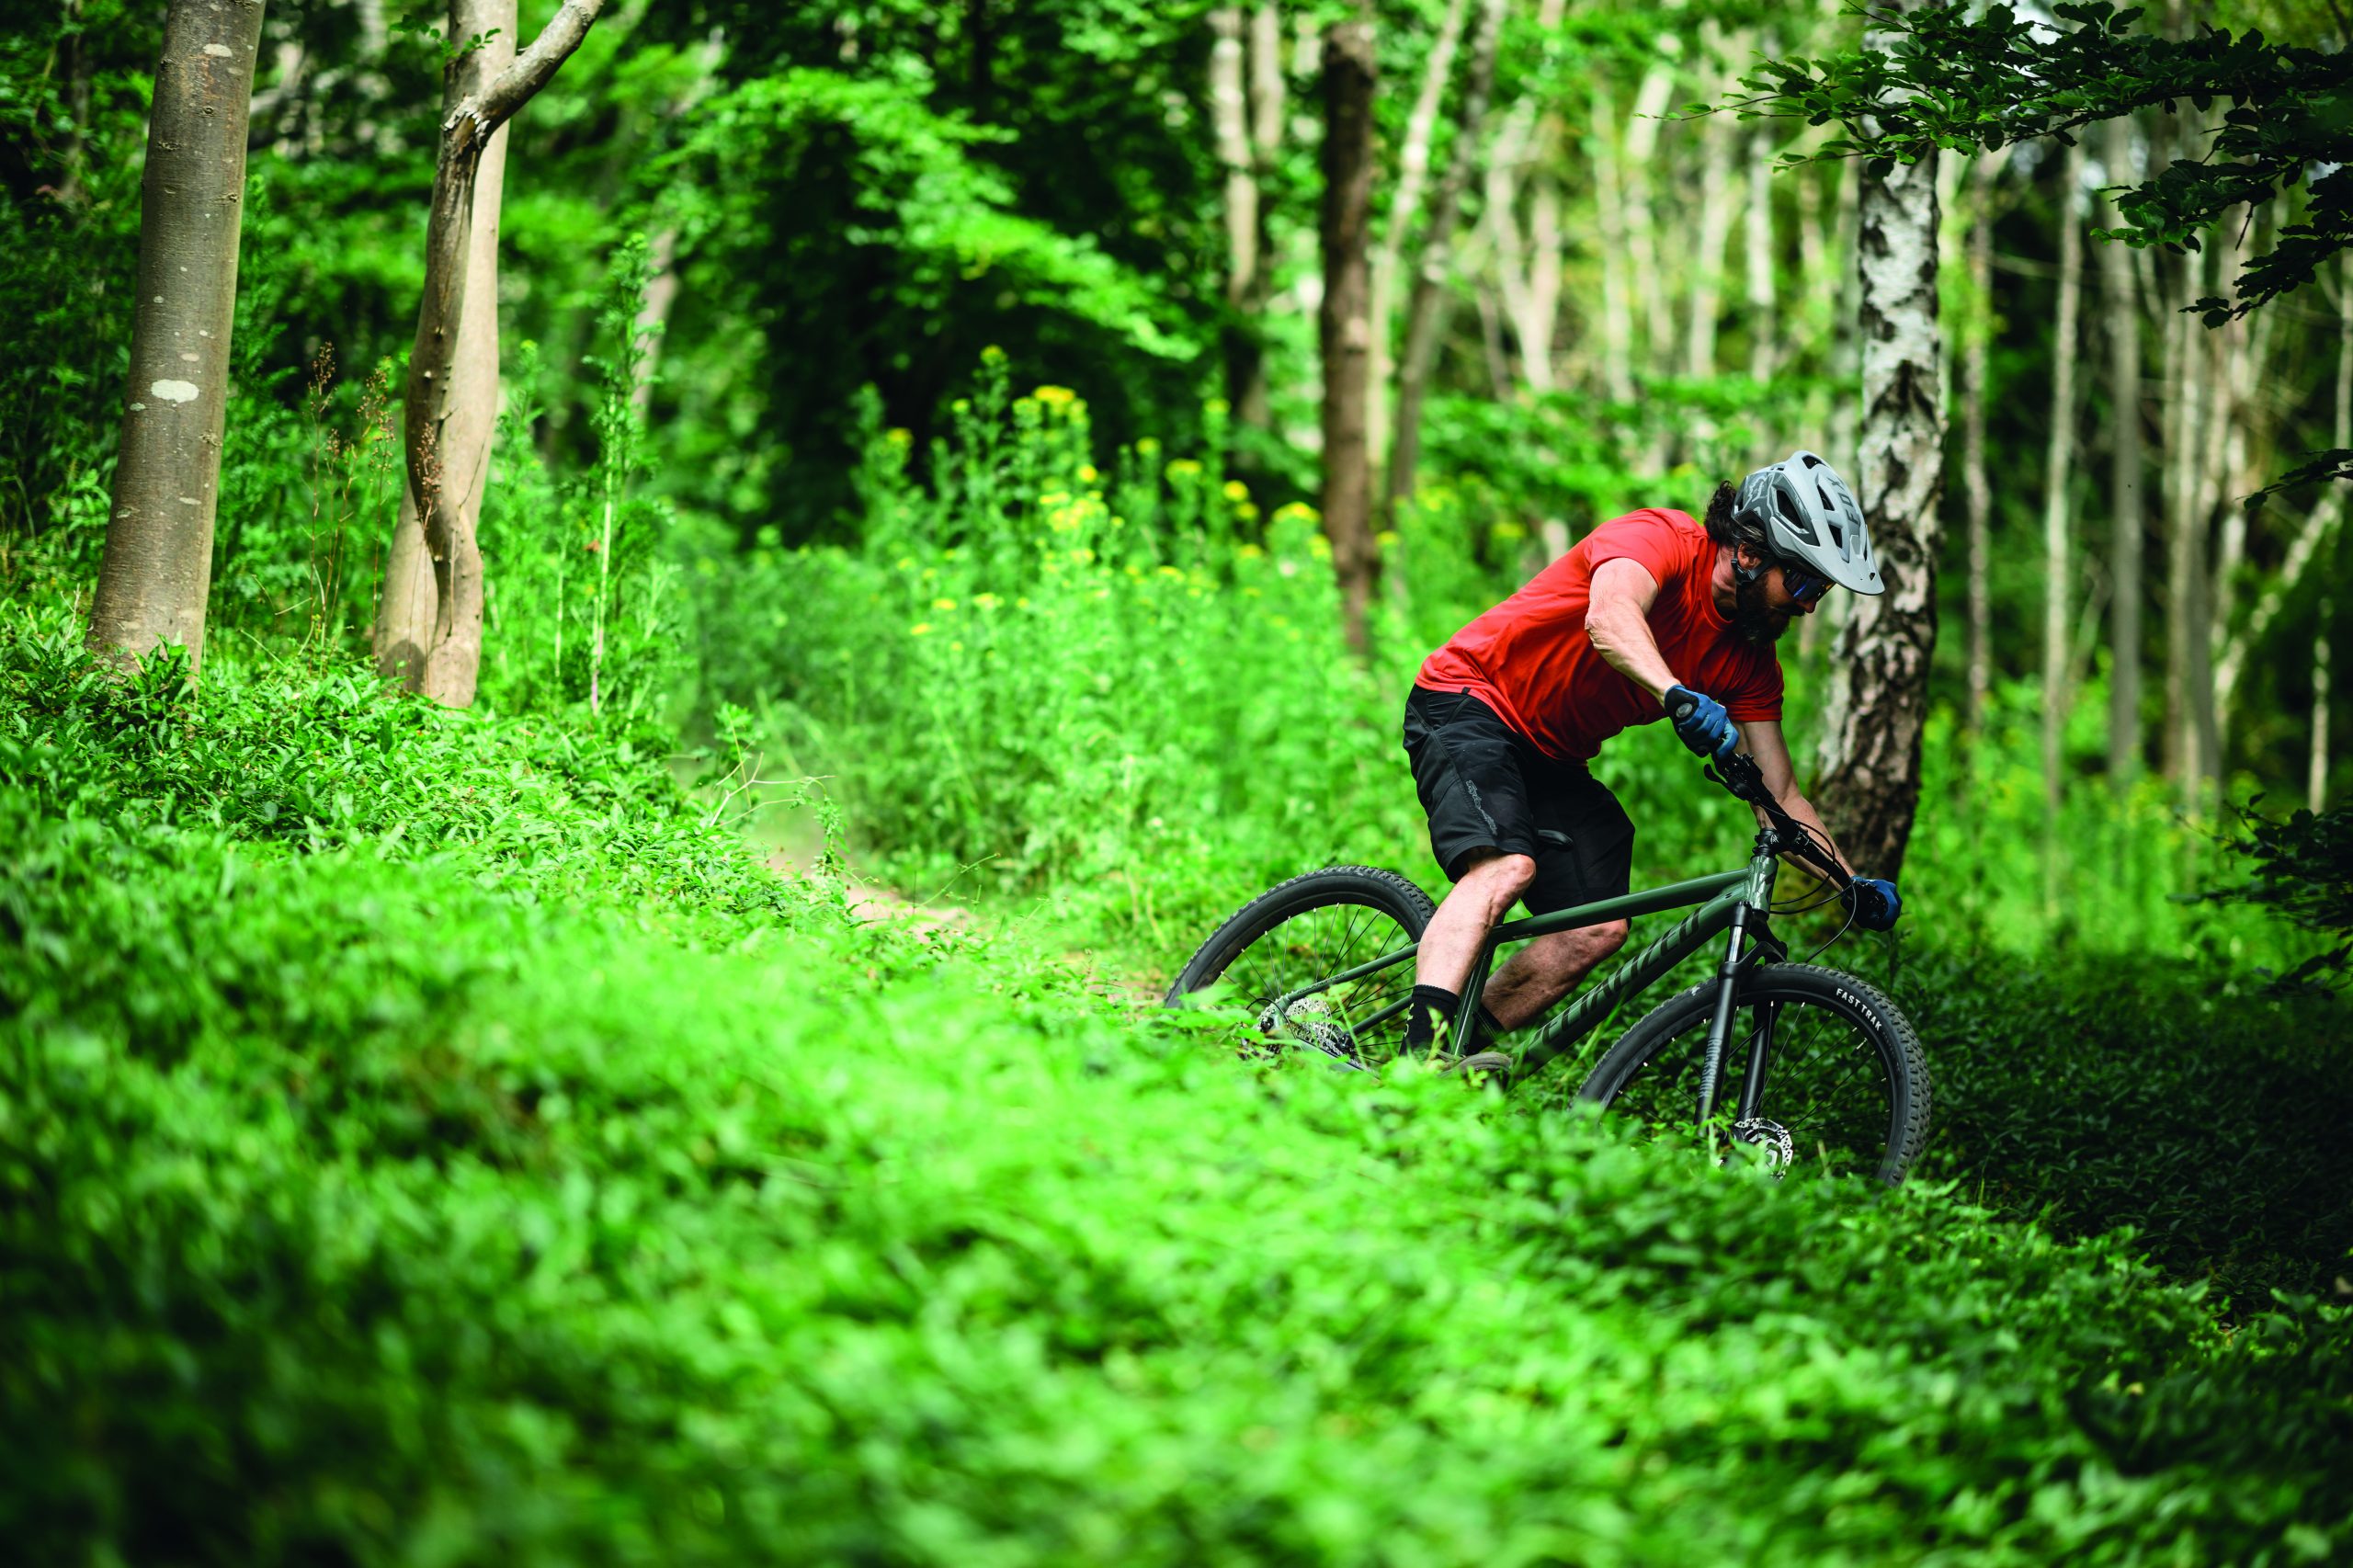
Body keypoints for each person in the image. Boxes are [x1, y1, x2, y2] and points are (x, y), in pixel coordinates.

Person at [1400, 451, 1902, 1070]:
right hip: (1469, 698)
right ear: (1749, 554)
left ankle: (1457, 1048)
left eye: (1819, 590)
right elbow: (1609, 617)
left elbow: (1783, 797)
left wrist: (1847, 885)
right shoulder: (1661, 539)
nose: (1808, 605)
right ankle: (1414, 1068)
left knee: (1596, 928)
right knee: (1506, 866)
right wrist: (1675, 694)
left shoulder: (1750, 665)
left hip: (1552, 754)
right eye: (1801, 583)